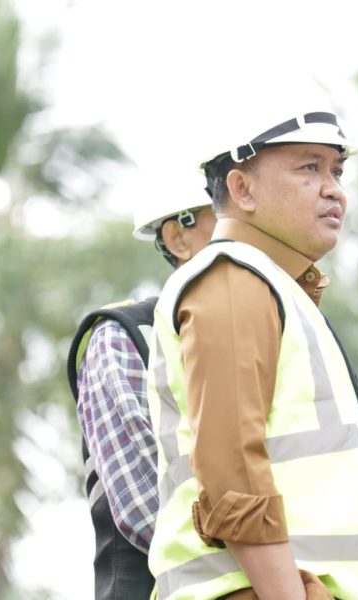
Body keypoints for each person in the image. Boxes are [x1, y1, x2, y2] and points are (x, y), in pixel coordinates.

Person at [145, 108, 358, 600]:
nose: (334, 189)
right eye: (309, 168)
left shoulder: (277, 289)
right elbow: (231, 470)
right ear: (242, 189)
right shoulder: (233, 277)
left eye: (337, 170)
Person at [66, 190, 216, 600]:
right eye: (228, 218)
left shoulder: (273, 336)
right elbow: (149, 509)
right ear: (178, 238)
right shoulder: (123, 337)